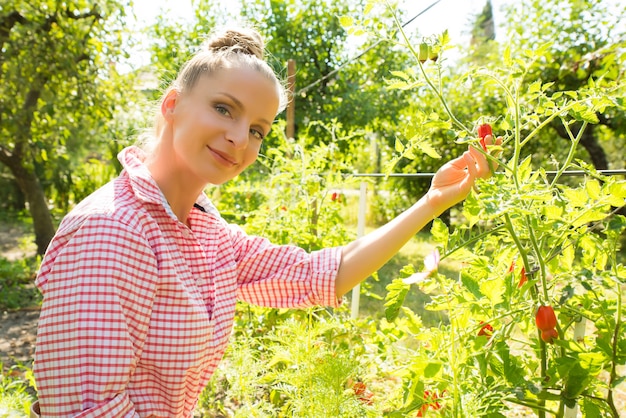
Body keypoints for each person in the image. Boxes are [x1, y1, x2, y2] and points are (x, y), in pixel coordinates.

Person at [33, 26, 499, 417]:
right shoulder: (113, 230)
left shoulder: (205, 232)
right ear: (172, 105)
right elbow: (83, 409)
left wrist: (431, 203)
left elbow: (319, 275)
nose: (239, 138)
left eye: (257, 129)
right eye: (223, 108)